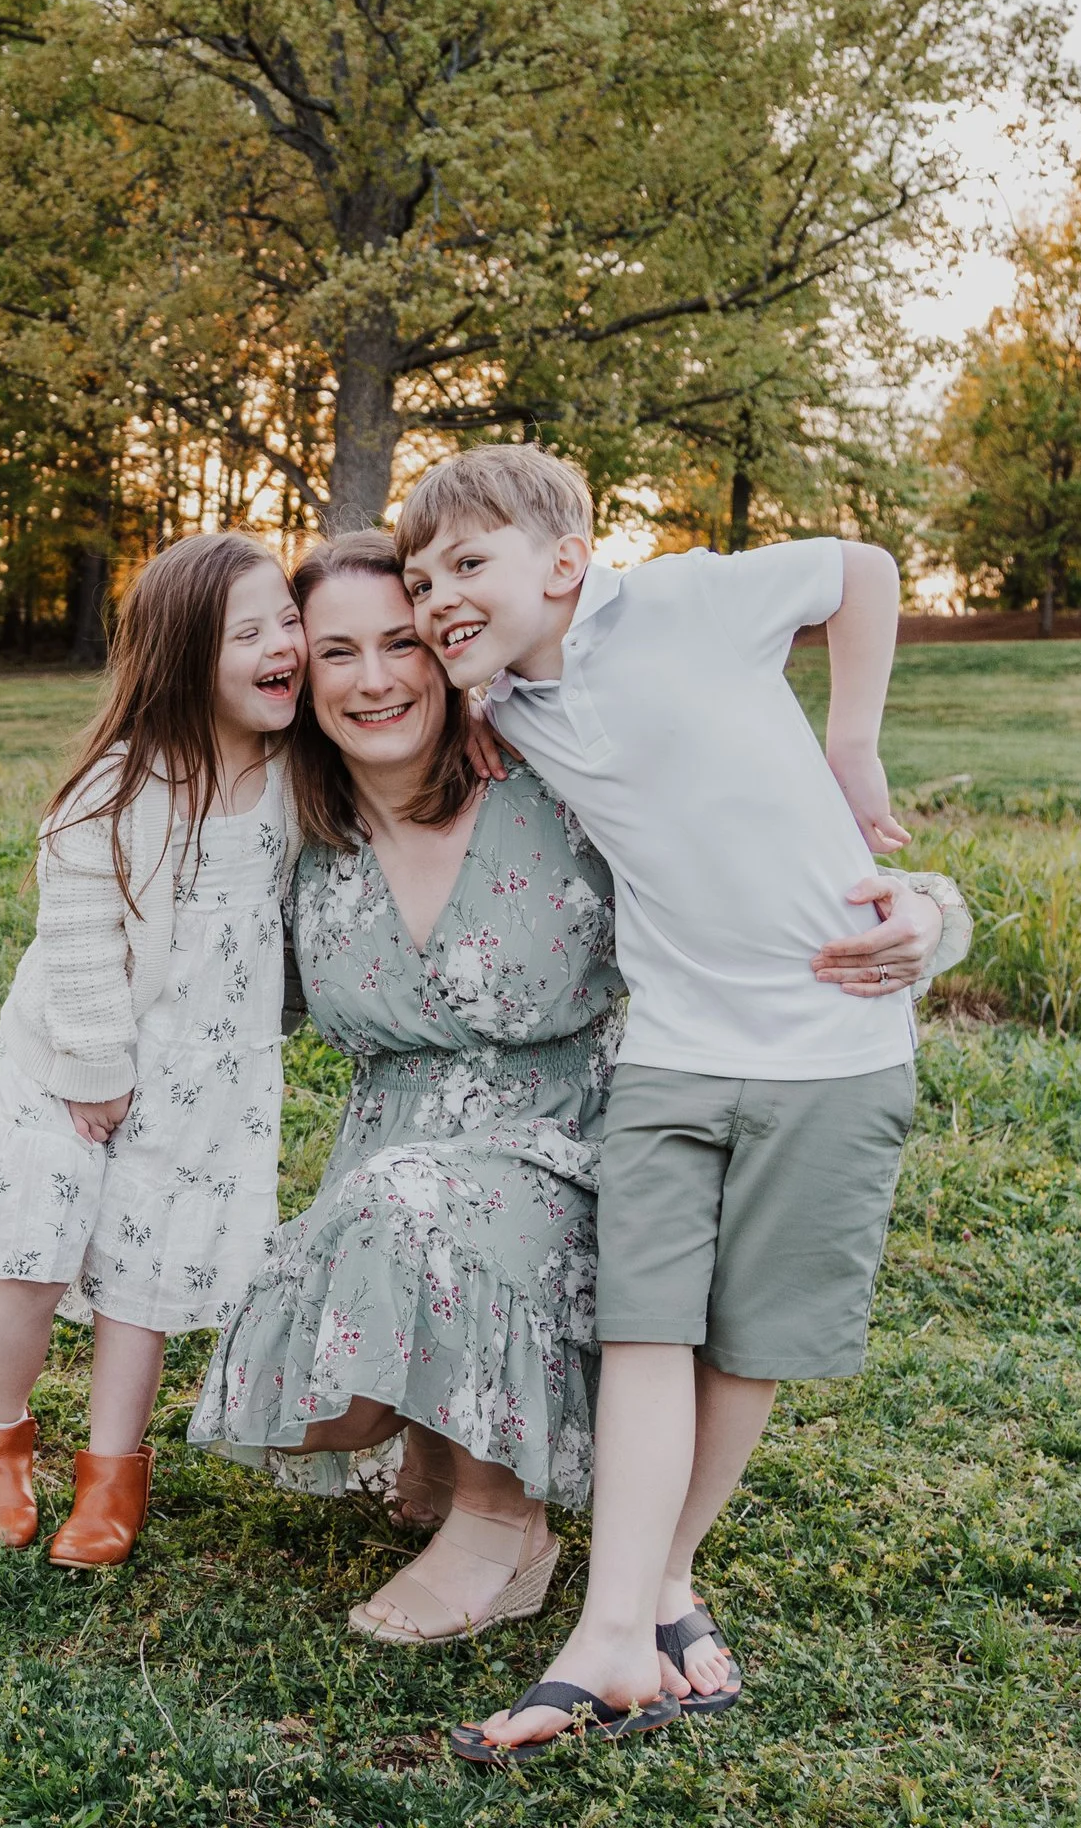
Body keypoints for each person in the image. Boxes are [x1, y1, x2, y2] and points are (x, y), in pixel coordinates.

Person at [190, 530, 969, 1648]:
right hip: (386, 1169)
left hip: (572, 1153)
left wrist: (929, 914)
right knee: (343, 1347)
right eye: (336, 652)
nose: (374, 680)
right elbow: (199, 976)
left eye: (403, 642)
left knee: (414, 1199)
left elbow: (763, 860)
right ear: (297, 676)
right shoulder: (297, 831)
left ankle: (504, 1527)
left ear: (448, 651)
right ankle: (432, 1431)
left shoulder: (550, 776)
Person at [396, 445, 963, 1761]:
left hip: (837, 1045)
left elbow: (865, 572)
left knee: (749, 1343)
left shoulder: (685, 602)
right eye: (425, 582)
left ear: (567, 561)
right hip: (675, 1054)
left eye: (467, 565)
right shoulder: (507, 711)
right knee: (647, 1327)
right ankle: (611, 1638)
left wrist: (855, 746)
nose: (439, 600)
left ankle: (660, 1583)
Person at [0, 532, 305, 1568]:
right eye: (250, 631)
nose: (284, 643)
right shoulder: (123, 782)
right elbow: (79, 930)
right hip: (71, 1064)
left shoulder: (291, 771)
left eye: (288, 619)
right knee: (35, 1246)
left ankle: (109, 1473)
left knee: (144, 1261)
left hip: (206, 1071)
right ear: (186, 657)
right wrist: (94, 1067)